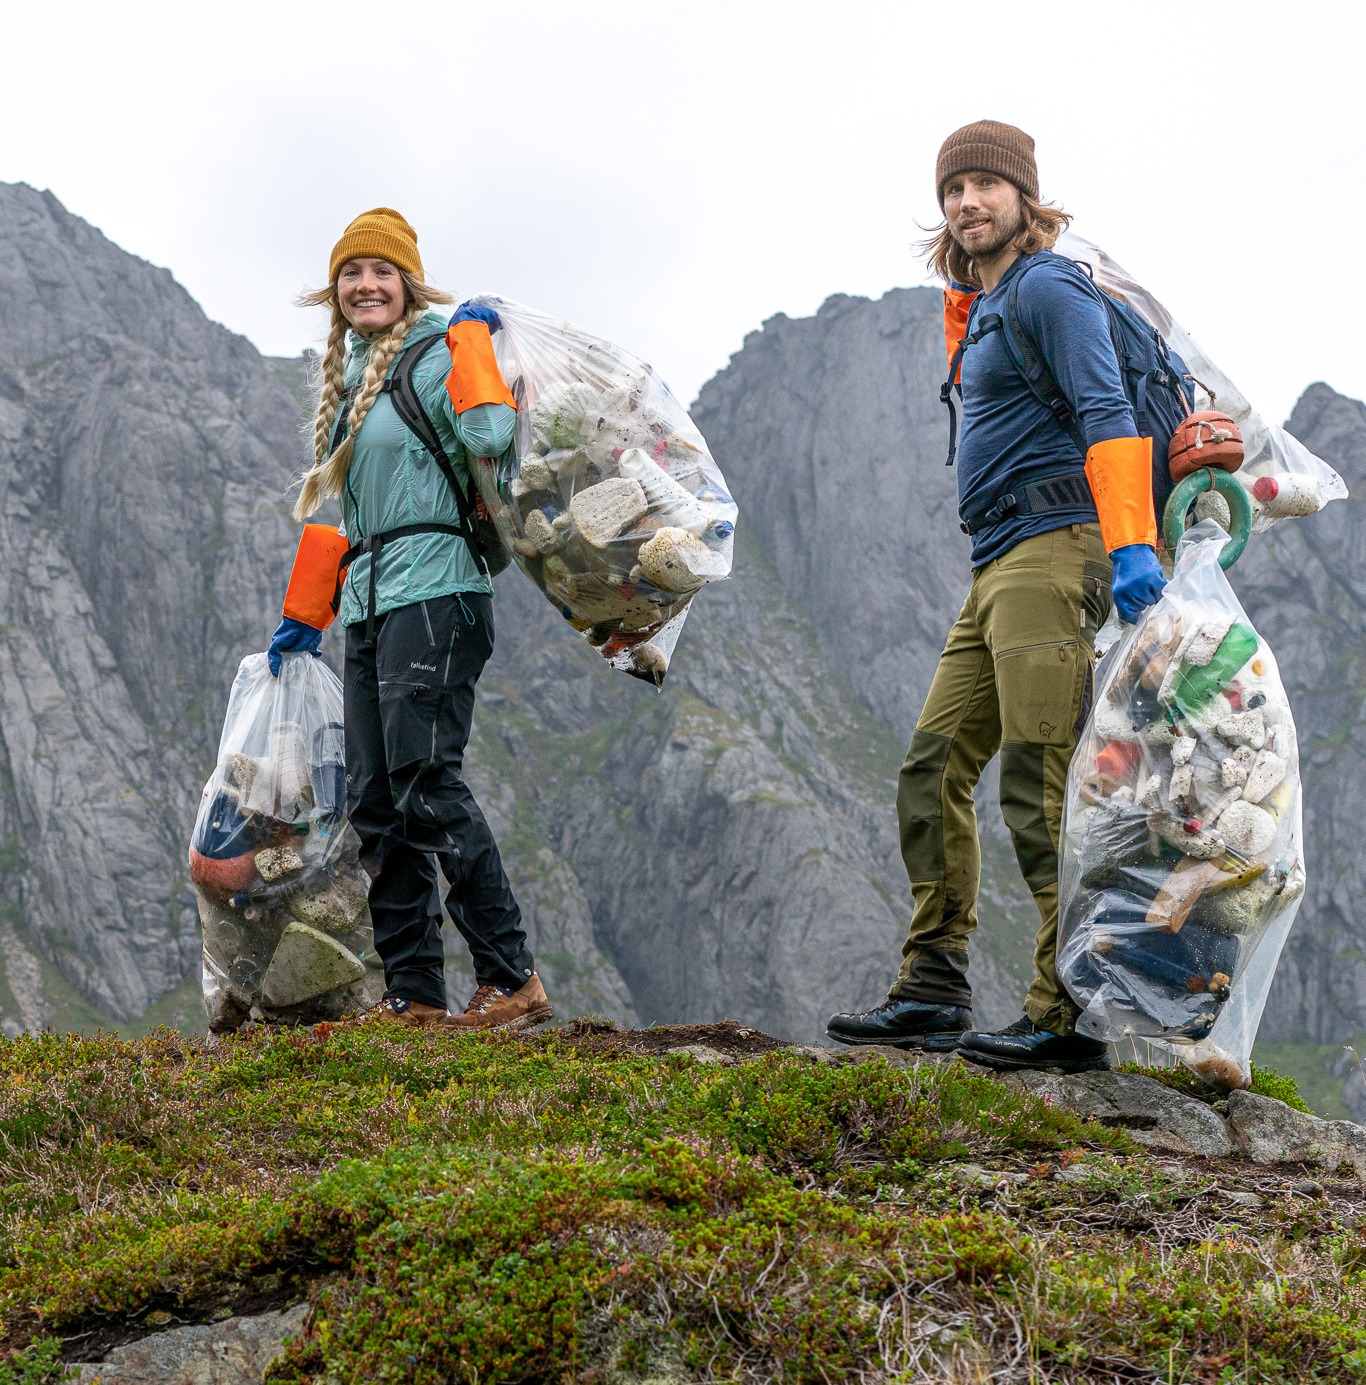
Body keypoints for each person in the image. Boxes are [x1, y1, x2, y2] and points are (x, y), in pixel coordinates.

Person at [827, 121, 1167, 1072]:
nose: (967, 202)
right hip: (999, 563)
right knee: (931, 765)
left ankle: (1071, 1008)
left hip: (1058, 548)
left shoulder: (1049, 286)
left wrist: (1133, 543)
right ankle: (933, 984)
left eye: (986, 185)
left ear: (1024, 197)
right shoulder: (987, 304)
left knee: (1040, 777)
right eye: (953, 190)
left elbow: (1105, 408)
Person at [267, 207, 553, 1032]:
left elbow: (491, 429)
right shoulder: (351, 382)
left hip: (438, 592)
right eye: (351, 274)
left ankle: (512, 976)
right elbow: (344, 516)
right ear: (336, 293)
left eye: (381, 272)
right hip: (369, 601)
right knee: (376, 802)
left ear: (407, 284)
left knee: (426, 781)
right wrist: (305, 614)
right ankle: (415, 996)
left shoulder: (433, 357)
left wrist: (469, 342)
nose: (365, 285)